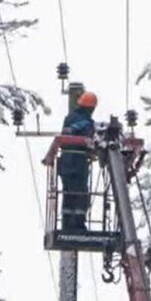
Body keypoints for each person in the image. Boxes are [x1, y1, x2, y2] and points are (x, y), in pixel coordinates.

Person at [57, 91, 97, 231]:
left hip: (65, 162)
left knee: (68, 193)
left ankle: (67, 223)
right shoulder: (87, 122)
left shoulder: (69, 118)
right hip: (77, 162)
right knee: (80, 194)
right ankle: (78, 224)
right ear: (91, 108)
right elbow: (90, 138)